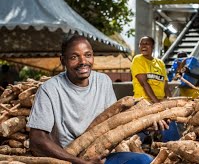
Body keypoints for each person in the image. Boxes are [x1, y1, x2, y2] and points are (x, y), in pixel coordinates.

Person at [27, 34, 153, 164]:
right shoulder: (49, 89)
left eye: (88, 55)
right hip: (68, 159)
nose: (83, 62)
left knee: (144, 160)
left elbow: (115, 123)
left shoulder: (103, 81)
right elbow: (37, 141)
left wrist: (146, 124)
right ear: (63, 60)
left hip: (101, 156)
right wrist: (78, 162)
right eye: (74, 57)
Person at [131, 36, 180, 142]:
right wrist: (157, 104)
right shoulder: (138, 60)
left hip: (159, 102)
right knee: (142, 131)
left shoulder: (160, 63)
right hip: (142, 101)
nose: (143, 46)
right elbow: (144, 83)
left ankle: (172, 149)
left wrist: (170, 103)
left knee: (170, 121)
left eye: (147, 43)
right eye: (141, 44)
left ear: (153, 46)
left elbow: (165, 86)